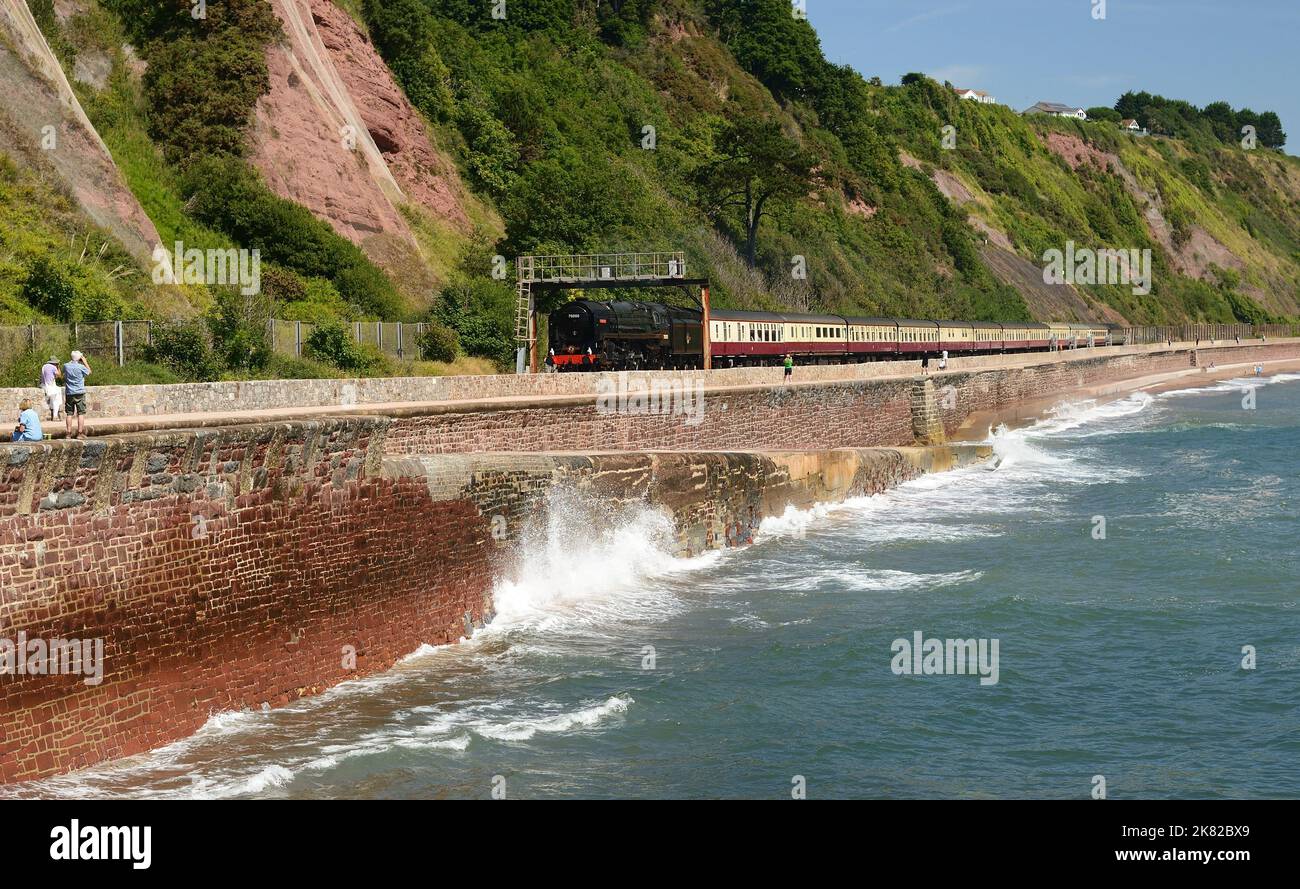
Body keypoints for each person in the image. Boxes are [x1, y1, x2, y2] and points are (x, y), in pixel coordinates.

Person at [62, 350, 91, 439]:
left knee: (69, 413)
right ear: (79, 358)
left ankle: (68, 433)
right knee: (81, 413)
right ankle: (80, 433)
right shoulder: (81, 367)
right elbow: (89, 372)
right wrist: (85, 362)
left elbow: (64, 374)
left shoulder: (66, 366)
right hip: (80, 392)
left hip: (69, 392)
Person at [40, 355, 62, 420]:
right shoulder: (53, 367)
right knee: (57, 399)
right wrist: (58, 367)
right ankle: (55, 416)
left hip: (43, 385)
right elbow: (59, 375)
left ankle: (53, 410)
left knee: (54, 399)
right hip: (50, 387)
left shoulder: (44, 366)